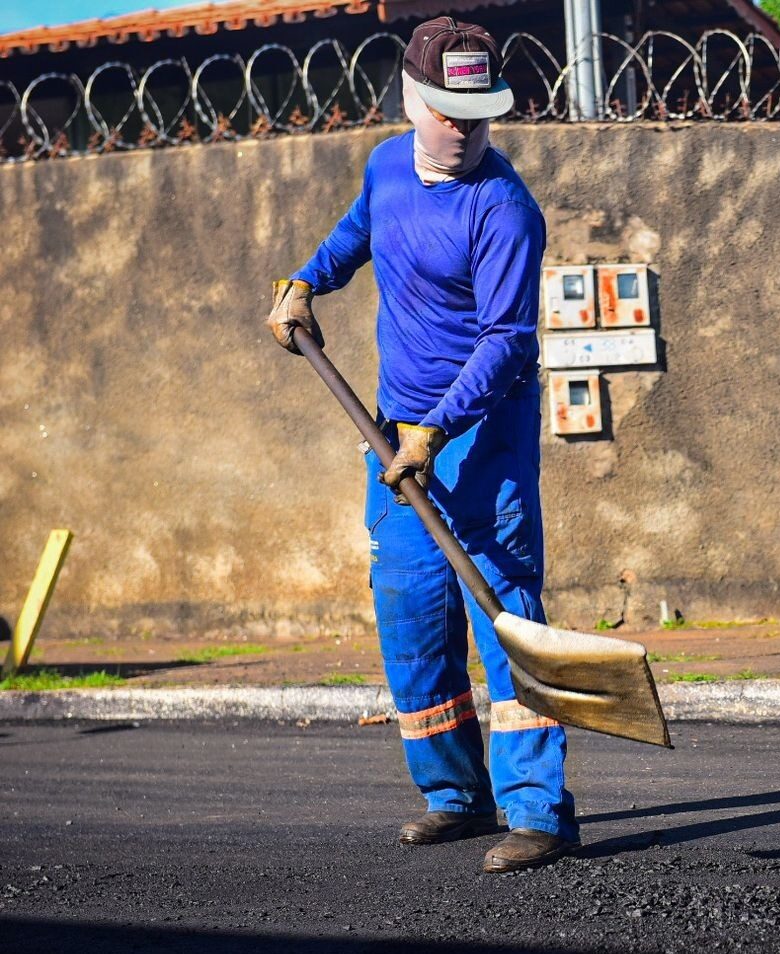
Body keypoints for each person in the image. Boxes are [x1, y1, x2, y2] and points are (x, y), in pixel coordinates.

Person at [264, 16, 578, 873]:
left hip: (482, 438)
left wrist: (437, 429)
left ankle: (540, 814)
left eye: (478, 114)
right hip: (396, 432)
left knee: (501, 610)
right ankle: (456, 798)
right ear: (410, 101)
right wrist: (306, 281)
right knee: (411, 611)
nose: (466, 130)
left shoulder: (504, 209)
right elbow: (359, 230)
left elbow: (507, 339)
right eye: (447, 112)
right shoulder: (386, 169)